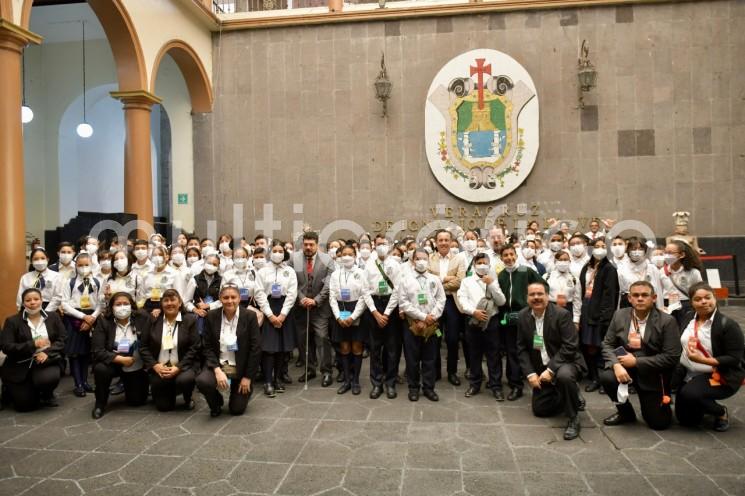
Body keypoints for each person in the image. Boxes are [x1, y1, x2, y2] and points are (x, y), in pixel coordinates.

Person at [599, 281, 681, 430]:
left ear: (654, 297)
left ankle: (659, 405)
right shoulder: (620, 315)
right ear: (629, 298)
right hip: (624, 366)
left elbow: (671, 357)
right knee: (607, 377)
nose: (640, 299)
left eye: (644, 295)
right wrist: (616, 365)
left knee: (659, 423)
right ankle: (625, 413)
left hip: (652, 373)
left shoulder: (667, 321)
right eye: (635, 295)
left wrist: (636, 362)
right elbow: (607, 344)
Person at [517, 283, 587, 440]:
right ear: (527, 298)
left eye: (540, 294)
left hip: (566, 362)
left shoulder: (562, 315)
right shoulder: (523, 316)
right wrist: (530, 374)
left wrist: (551, 370)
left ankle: (573, 418)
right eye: (532, 294)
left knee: (564, 376)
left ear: (547, 296)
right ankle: (572, 394)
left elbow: (570, 346)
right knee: (540, 409)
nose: (536, 297)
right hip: (541, 366)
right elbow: (521, 349)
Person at [674, 283, 744, 432]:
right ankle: (700, 401)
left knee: (689, 393)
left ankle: (720, 412)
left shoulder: (728, 325)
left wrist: (704, 361)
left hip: (717, 375)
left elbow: (734, 358)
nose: (703, 302)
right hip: (688, 373)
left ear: (714, 298)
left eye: (707, 297)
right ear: (692, 302)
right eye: (698, 299)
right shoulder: (688, 318)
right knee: (686, 421)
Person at [196, 285, 262, 417]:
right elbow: (207, 346)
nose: (229, 301)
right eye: (226, 297)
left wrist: (248, 377)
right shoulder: (211, 316)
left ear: (239, 299)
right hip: (219, 364)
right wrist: (216, 369)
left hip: (241, 368)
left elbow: (255, 349)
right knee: (203, 381)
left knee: (236, 410)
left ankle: (244, 389)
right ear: (220, 299)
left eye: (233, 297)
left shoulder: (250, 316)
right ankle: (216, 403)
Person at [1, 288, 67, 411]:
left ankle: (47, 394)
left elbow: (63, 339)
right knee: (25, 407)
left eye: (36, 299)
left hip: (45, 361)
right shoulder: (12, 321)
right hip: (21, 364)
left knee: (47, 379)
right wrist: (33, 344)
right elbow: (6, 347)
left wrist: (47, 352)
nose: (32, 302)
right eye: (28, 300)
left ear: (42, 301)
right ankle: (15, 389)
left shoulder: (53, 317)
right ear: (23, 303)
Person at [91, 292, 151, 418]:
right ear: (111, 307)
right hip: (113, 362)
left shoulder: (142, 318)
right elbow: (97, 350)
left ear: (132, 305)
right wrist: (119, 359)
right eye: (118, 304)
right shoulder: (103, 321)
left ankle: (131, 384)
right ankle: (100, 403)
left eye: (125, 304)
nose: (122, 307)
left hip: (136, 363)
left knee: (137, 401)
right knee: (101, 369)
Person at [139, 289, 200, 411]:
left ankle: (188, 397)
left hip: (183, 367)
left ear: (180, 303)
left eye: (173, 300)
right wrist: (155, 365)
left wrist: (179, 367)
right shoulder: (153, 320)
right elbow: (143, 347)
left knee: (185, 380)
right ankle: (169, 389)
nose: (169, 303)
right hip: (160, 367)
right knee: (163, 407)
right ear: (161, 304)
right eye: (166, 300)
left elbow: (194, 348)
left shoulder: (189, 320)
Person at [496, 244, 543, 401]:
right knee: (512, 351)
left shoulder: (525, 271)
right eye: (505, 255)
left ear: (516, 255)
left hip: (528, 317)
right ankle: (515, 384)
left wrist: (533, 306)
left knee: (536, 347)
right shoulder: (501, 275)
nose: (509, 258)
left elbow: (543, 286)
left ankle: (541, 379)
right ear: (501, 258)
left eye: (511, 254)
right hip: (508, 319)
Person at [398, 249, 446, 402]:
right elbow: (404, 303)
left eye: (424, 258)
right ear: (412, 261)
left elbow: (441, 299)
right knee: (412, 358)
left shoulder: (435, 279)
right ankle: (413, 388)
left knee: (430, 358)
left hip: (431, 324)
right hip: (412, 324)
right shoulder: (405, 280)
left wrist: (430, 318)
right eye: (418, 258)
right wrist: (421, 317)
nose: (421, 261)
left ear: (428, 260)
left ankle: (429, 388)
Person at [457, 253, 506, 399]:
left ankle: (496, 386)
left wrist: (491, 284)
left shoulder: (494, 281)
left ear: (489, 265)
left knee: (494, 354)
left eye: (485, 263)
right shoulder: (467, 281)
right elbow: (462, 299)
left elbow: (502, 301)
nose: (482, 265)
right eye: (479, 262)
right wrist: (473, 312)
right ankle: (475, 384)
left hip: (492, 321)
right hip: (473, 321)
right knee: (474, 354)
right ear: (474, 265)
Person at [289, 231, 335, 386]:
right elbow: (290, 282)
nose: (308, 247)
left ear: (317, 244)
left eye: (311, 244)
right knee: (304, 340)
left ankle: (326, 371)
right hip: (300, 306)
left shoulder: (327, 260)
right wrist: (301, 298)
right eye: (305, 244)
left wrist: (315, 300)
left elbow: (329, 285)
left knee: (322, 338)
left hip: (320, 307)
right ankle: (309, 369)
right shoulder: (293, 258)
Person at [254, 242, 298, 397]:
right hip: (268, 308)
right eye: (275, 250)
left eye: (280, 251)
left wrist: (283, 314)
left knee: (282, 348)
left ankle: (278, 378)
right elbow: (259, 293)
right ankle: (267, 381)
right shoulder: (263, 271)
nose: (277, 253)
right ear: (270, 252)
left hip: (285, 309)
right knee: (269, 348)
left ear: (284, 253)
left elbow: (292, 293)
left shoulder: (290, 271)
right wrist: (270, 315)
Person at [575, 238, 619, 392]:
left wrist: (605, 317)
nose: (599, 249)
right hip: (585, 310)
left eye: (603, 246)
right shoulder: (586, 267)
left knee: (601, 347)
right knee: (588, 346)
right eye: (596, 246)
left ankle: (603, 379)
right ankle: (594, 377)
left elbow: (610, 296)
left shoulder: (609, 269)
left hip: (600, 314)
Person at [363, 237, 403, 399]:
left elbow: (398, 289)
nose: (381, 247)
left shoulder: (395, 264)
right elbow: (365, 290)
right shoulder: (369, 264)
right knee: (375, 347)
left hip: (391, 307)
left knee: (392, 348)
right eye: (378, 244)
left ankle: (390, 382)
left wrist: (386, 313)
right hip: (374, 306)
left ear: (390, 246)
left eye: (384, 244)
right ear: (374, 246)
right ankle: (376, 383)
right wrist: (375, 312)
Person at [60, 253, 103, 397]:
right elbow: (65, 304)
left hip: (92, 318)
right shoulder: (69, 283)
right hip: (74, 319)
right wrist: (83, 317)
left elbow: (100, 303)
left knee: (86, 353)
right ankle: (77, 384)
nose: (84, 268)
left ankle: (85, 382)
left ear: (92, 265)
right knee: (74, 353)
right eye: (80, 265)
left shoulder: (97, 282)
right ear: (76, 266)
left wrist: (92, 317)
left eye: (87, 265)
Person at [328, 244, 369, 395]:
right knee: (344, 347)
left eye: (350, 254)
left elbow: (364, 296)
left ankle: (356, 381)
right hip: (340, 311)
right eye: (343, 254)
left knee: (357, 347)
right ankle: (346, 380)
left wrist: (353, 316)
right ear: (339, 256)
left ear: (355, 255)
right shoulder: (335, 274)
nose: (346, 257)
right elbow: (332, 297)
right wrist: (338, 316)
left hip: (356, 311)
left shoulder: (361, 273)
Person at [428, 229, 466, 385]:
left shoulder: (459, 259)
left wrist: (438, 282)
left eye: (446, 240)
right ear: (436, 242)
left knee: (452, 339)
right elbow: (428, 282)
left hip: (451, 304)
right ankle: (435, 372)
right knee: (435, 337)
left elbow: (460, 281)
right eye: (440, 240)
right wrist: (445, 279)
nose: (443, 243)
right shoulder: (429, 259)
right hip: (436, 303)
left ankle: (452, 372)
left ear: (451, 242)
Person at [661, 240, 703, 329]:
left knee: (686, 330)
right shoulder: (662, 271)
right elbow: (659, 291)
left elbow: (699, 291)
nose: (667, 256)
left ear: (682, 255)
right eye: (665, 253)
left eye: (670, 253)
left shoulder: (693, 272)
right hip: (667, 305)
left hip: (686, 305)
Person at [617, 237, 664, 311]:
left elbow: (658, 291)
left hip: (649, 305)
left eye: (640, 249)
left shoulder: (652, 268)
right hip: (628, 305)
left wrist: (660, 309)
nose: (637, 252)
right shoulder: (621, 269)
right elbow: (618, 293)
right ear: (628, 250)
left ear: (645, 251)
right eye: (633, 249)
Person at [138, 246, 185, 318]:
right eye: (154, 255)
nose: (157, 257)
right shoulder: (146, 274)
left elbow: (178, 296)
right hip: (148, 305)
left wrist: (162, 309)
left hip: (167, 305)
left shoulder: (174, 274)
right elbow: (141, 295)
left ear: (167, 257)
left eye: (160, 255)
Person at [543, 250, 577, 315]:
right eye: (560, 260)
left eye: (565, 260)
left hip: (568, 308)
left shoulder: (574, 279)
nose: (563, 262)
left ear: (569, 261)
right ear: (555, 261)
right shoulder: (546, 277)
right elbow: (543, 296)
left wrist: (576, 319)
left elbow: (577, 301)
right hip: (550, 307)